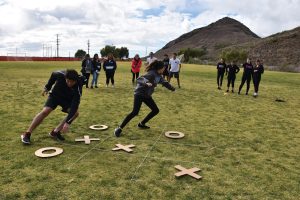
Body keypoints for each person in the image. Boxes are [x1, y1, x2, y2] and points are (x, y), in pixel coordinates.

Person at [21, 69, 86, 144]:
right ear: (65, 78)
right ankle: (27, 134)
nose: (69, 83)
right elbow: (53, 75)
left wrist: (68, 122)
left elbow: (75, 105)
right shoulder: (60, 75)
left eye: (72, 82)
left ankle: (55, 132)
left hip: (67, 99)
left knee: (75, 113)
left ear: (75, 80)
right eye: (68, 81)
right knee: (46, 111)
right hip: (55, 95)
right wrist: (47, 87)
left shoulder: (78, 86)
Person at [114, 60, 175, 137]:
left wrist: (172, 89)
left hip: (147, 96)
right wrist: (146, 82)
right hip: (139, 94)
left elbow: (165, 83)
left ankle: (141, 124)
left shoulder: (159, 76)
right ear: (159, 68)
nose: (164, 69)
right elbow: (139, 79)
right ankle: (119, 128)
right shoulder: (152, 73)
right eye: (163, 68)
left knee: (155, 110)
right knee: (135, 112)